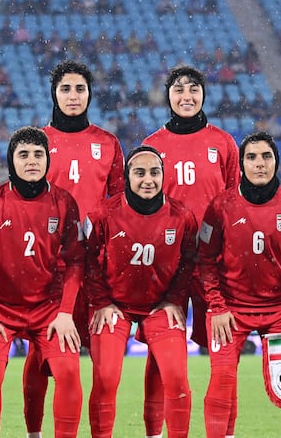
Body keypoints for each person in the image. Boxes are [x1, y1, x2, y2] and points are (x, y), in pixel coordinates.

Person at [23, 59, 125, 438]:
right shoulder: (38, 143)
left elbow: (120, 207)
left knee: (104, 365)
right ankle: (35, 433)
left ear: (89, 95)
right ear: (54, 94)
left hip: (98, 268)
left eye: (79, 89)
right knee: (41, 357)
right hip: (51, 268)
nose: (72, 96)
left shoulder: (108, 143)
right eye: (65, 89)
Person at [140, 64, 240, 438]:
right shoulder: (153, 145)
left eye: (193, 89)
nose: (186, 96)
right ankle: (155, 434)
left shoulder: (224, 143)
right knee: (160, 355)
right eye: (179, 89)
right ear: (168, 96)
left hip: (215, 265)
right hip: (167, 265)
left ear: (203, 95)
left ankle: (223, 433)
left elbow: (235, 204)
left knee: (224, 356)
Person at [200, 131, 281, 437]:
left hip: (280, 309)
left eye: (266, 156)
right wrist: (217, 306)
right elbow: (206, 261)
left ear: (276, 162)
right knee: (222, 380)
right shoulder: (220, 206)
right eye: (251, 157)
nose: (259, 163)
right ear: (241, 164)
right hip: (229, 310)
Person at [0, 126, 84, 438]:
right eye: (23, 154)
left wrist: (65, 312)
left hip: (49, 308)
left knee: (70, 372)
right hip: (0, 310)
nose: (32, 160)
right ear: (11, 160)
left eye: (38, 154)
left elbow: (76, 259)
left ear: (48, 160)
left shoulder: (64, 203)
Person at [84, 145, 196, 438]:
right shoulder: (102, 214)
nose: (148, 180)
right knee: (106, 378)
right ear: (126, 177)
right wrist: (102, 302)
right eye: (140, 173)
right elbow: (86, 260)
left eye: (155, 172)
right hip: (114, 306)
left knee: (176, 379)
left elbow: (190, 261)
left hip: (159, 305)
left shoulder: (182, 216)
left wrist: (173, 300)